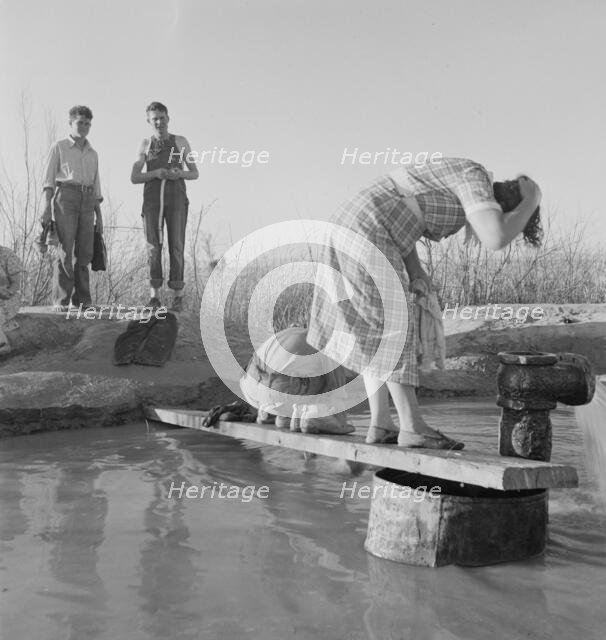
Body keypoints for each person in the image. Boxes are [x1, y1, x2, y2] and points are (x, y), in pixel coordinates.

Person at [306, 157, 542, 449]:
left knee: (373, 329)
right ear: (504, 209)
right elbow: (496, 237)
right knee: (393, 328)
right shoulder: (474, 176)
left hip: (358, 226)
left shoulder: (462, 182)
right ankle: (412, 426)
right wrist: (533, 200)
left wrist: (415, 269)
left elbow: (405, 212)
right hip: (367, 230)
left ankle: (380, 423)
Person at [131, 102, 199, 312]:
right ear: (149, 122)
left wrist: (180, 173)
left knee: (176, 245)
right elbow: (134, 176)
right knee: (153, 246)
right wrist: (155, 173)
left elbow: (194, 172)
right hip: (152, 200)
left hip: (176, 198)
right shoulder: (145, 144)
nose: (159, 122)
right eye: (155, 119)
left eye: (162, 117)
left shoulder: (180, 141)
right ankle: (154, 296)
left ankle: (177, 296)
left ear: (168, 118)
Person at [41, 105, 104, 309]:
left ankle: (83, 300)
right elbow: (48, 181)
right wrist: (45, 208)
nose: (84, 126)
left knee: (85, 252)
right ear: (70, 123)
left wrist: (99, 217)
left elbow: (96, 188)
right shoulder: (59, 147)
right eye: (80, 122)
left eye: (87, 123)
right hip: (65, 196)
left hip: (87, 200)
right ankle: (61, 300)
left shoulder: (93, 153)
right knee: (65, 249)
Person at [0, 245, 24, 355]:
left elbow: (16, 284)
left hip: (7, 299)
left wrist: (7, 292)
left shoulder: (7, 255)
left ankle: (3, 344)